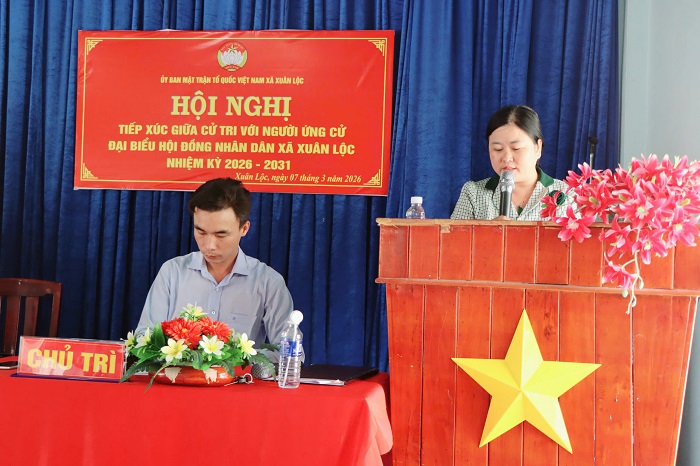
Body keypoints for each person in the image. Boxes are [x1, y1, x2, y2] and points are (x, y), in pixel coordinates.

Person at [136, 178, 294, 359]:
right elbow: (144, 339)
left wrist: (237, 359)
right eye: (201, 232)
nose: (209, 246)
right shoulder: (172, 272)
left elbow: (289, 353)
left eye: (221, 234)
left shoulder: (268, 282)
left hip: (239, 377)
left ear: (244, 228)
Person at [450, 105, 571, 220]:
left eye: (516, 148)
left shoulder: (566, 194)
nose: (507, 158)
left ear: (538, 148)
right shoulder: (473, 194)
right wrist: (487, 231)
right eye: (498, 149)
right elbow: (453, 235)